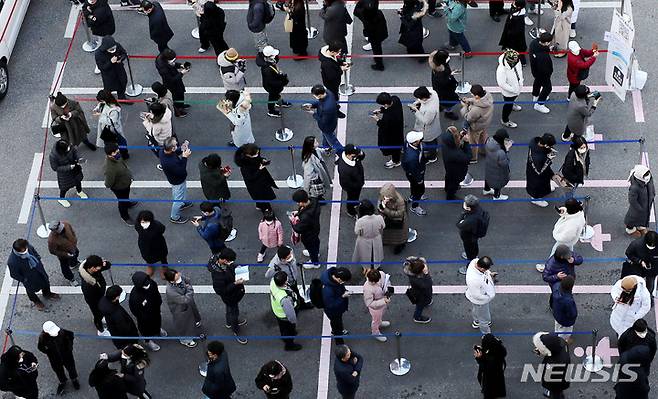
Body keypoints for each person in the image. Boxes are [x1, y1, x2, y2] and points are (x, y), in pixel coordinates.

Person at [535, 199, 586, 274]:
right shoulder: (578, 212)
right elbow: (570, 215)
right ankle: (565, 263)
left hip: (565, 242)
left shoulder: (573, 224)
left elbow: (565, 237)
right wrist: (564, 212)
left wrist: (556, 235)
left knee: (555, 254)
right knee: (568, 251)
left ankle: (548, 268)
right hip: (570, 242)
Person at [8, 239, 60, 311]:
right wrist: (24, 279)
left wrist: (38, 259)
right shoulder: (12, 261)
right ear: (18, 250)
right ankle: (36, 301)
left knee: (45, 282)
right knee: (31, 291)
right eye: (24, 249)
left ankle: (47, 294)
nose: (27, 249)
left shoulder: (27, 246)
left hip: (39, 270)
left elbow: (34, 251)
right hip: (29, 278)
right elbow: (14, 274)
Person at [208, 249, 248, 344]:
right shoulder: (218, 276)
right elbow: (221, 290)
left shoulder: (219, 261)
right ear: (225, 260)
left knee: (230, 309)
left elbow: (231, 267)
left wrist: (236, 267)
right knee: (234, 312)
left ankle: (229, 322)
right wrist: (235, 283)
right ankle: (236, 330)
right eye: (230, 261)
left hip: (231, 295)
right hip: (230, 296)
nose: (232, 263)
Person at [38, 321, 79, 394]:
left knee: (71, 368)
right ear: (46, 332)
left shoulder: (64, 332)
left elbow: (71, 335)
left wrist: (69, 348)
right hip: (54, 359)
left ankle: (74, 379)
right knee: (58, 371)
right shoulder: (43, 338)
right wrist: (48, 352)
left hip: (66, 356)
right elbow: (40, 347)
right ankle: (63, 381)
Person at [234, 143, 278, 213]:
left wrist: (263, 160)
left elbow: (258, 158)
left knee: (261, 198)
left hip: (261, 182)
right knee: (263, 199)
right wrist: (259, 170)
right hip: (256, 186)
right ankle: (267, 211)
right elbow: (250, 178)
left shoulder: (252, 156)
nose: (258, 155)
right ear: (248, 155)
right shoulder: (244, 167)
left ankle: (259, 205)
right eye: (256, 154)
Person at [164, 269, 202, 347]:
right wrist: (189, 289)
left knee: (192, 316)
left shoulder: (178, 277)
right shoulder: (171, 291)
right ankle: (185, 340)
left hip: (187, 305)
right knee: (184, 324)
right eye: (177, 278)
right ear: (172, 281)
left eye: (178, 275)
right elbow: (185, 300)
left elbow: (187, 280)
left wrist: (187, 283)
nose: (180, 278)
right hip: (180, 309)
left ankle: (195, 322)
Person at [129, 271, 166, 352]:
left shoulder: (152, 283)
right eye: (144, 283)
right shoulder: (135, 296)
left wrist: (159, 304)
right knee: (145, 329)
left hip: (155, 310)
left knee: (157, 321)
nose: (147, 284)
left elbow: (157, 294)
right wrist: (143, 317)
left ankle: (157, 330)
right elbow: (134, 310)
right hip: (144, 317)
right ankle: (147, 341)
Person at [160, 137, 194, 223]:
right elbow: (181, 171)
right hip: (178, 180)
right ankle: (174, 217)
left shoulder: (163, 152)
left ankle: (182, 203)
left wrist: (182, 148)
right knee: (178, 199)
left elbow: (174, 152)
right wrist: (184, 157)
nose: (177, 145)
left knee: (178, 193)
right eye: (176, 145)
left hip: (174, 179)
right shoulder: (171, 162)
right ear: (172, 148)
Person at [104, 143, 136, 225]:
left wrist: (129, 176)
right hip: (119, 188)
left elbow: (123, 165)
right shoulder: (110, 168)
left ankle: (128, 203)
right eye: (115, 152)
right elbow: (108, 184)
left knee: (126, 196)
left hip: (125, 183)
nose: (118, 152)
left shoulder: (117, 157)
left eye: (117, 150)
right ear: (110, 155)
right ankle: (125, 216)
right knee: (122, 202)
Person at [461, 85, 494, 164]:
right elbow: (478, 100)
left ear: (476, 96)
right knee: (483, 138)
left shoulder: (476, 110)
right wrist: (469, 100)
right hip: (484, 123)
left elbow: (467, 117)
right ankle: (483, 151)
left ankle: (473, 158)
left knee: (473, 142)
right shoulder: (488, 97)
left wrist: (465, 106)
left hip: (475, 127)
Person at [532, 332, 571, 399]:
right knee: (558, 392)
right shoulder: (561, 342)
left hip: (556, 384)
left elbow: (549, 379)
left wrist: (547, 386)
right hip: (562, 379)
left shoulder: (553, 364)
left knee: (555, 395)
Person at [79, 255, 111, 335]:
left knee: (100, 312)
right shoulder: (87, 285)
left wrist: (105, 264)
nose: (100, 268)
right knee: (97, 314)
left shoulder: (92, 269)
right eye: (99, 267)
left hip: (99, 294)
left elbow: (108, 265)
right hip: (94, 300)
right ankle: (100, 329)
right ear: (92, 268)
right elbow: (91, 299)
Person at [270, 271, 302, 351]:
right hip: (285, 316)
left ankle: (284, 337)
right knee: (289, 331)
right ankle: (289, 345)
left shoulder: (273, 282)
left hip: (278, 312)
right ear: (285, 282)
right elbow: (290, 314)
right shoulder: (284, 299)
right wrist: (293, 321)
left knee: (283, 328)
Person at [49, 140, 86, 208]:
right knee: (64, 188)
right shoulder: (53, 156)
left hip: (75, 169)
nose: (69, 148)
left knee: (78, 181)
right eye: (67, 148)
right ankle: (61, 199)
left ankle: (79, 191)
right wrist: (68, 167)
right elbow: (55, 168)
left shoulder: (67, 145)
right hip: (65, 175)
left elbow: (75, 152)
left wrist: (79, 158)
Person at [457, 195, 489, 274]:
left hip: (469, 237)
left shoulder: (470, 220)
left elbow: (459, 224)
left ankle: (469, 267)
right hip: (475, 235)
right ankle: (473, 255)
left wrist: (463, 213)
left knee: (470, 251)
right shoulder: (478, 210)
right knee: (474, 247)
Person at [307, 84, 344, 153]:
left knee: (333, 141)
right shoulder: (328, 92)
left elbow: (323, 121)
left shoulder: (327, 108)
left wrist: (313, 114)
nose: (314, 97)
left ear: (320, 95)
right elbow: (320, 102)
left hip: (327, 127)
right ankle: (326, 147)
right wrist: (312, 105)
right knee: (325, 136)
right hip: (331, 122)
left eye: (315, 96)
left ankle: (342, 153)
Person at [291, 190, 322, 267]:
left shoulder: (306, 216)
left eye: (298, 202)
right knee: (315, 242)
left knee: (310, 247)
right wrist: (299, 213)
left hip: (308, 234)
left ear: (302, 202)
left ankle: (314, 263)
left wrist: (292, 221)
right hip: (315, 229)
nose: (297, 204)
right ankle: (316, 253)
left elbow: (298, 228)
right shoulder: (314, 201)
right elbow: (304, 210)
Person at [94, 90, 129, 159]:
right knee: (112, 144)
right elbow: (100, 105)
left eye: (101, 100)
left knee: (119, 144)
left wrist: (100, 115)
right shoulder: (106, 103)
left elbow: (112, 121)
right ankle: (116, 155)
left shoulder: (114, 110)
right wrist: (97, 109)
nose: (100, 102)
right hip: (107, 129)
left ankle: (124, 155)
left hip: (112, 130)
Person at [465, 256, 496, 334]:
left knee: (476, 310)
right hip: (480, 301)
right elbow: (477, 296)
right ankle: (486, 334)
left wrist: (489, 274)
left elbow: (485, 273)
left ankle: (476, 321)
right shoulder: (474, 280)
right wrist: (489, 298)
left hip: (474, 298)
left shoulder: (474, 262)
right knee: (484, 319)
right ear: (482, 269)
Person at [321, 267, 352, 343]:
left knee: (338, 321)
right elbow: (331, 305)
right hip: (333, 311)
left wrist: (343, 291)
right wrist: (342, 296)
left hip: (338, 310)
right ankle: (339, 342)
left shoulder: (333, 281)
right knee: (336, 325)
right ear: (338, 279)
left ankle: (340, 330)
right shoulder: (328, 290)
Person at [378, 183, 412, 254]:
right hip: (388, 219)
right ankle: (387, 241)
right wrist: (381, 207)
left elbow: (399, 214)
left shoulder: (400, 201)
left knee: (399, 236)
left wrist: (385, 210)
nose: (385, 198)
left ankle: (400, 246)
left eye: (387, 196)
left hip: (397, 221)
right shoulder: (383, 196)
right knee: (387, 232)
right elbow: (379, 205)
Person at [410, 86, 441, 163]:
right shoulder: (433, 94)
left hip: (427, 129)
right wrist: (418, 102)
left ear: (423, 98)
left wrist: (416, 110)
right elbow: (423, 101)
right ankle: (434, 149)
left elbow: (426, 121)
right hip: (434, 126)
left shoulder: (430, 109)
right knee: (433, 140)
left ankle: (432, 157)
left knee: (429, 141)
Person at [134, 210, 169, 278]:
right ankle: (150, 266)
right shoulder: (137, 225)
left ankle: (164, 267)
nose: (144, 224)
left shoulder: (157, 226)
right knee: (147, 257)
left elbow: (162, 229)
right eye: (143, 222)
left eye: (147, 221)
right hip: (144, 245)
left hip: (158, 244)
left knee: (163, 257)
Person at [372, 92, 404, 167]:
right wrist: (382, 110)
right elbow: (390, 108)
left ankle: (396, 161)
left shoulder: (389, 117)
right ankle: (400, 150)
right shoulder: (395, 99)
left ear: (386, 104)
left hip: (391, 134)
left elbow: (383, 126)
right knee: (398, 142)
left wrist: (377, 119)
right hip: (398, 128)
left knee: (393, 147)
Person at [155, 48, 189, 117]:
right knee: (176, 98)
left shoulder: (163, 58)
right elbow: (171, 80)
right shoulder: (163, 69)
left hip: (175, 80)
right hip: (172, 85)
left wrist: (180, 65)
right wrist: (182, 73)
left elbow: (172, 64)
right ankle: (178, 112)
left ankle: (181, 105)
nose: (173, 61)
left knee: (180, 94)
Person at [525, 133, 557, 207]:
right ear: (545, 145)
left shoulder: (534, 142)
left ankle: (546, 188)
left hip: (534, 168)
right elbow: (540, 171)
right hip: (536, 173)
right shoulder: (538, 157)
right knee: (537, 185)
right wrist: (549, 159)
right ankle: (535, 199)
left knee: (544, 181)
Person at [355, 0, 388, 70]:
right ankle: (378, 61)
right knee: (377, 47)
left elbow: (356, 11)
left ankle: (379, 65)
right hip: (380, 33)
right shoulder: (379, 13)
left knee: (376, 48)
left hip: (374, 36)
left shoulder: (366, 19)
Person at [441, 126, 472, 200]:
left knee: (448, 178)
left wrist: (460, 137)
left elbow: (454, 144)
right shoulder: (456, 154)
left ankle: (446, 188)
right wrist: (467, 143)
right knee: (453, 185)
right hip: (457, 172)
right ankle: (450, 197)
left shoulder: (446, 144)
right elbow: (468, 157)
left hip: (449, 168)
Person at [428, 50, 460, 121]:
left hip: (438, 89)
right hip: (445, 92)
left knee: (440, 99)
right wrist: (451, 78)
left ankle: (440, 106)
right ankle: (448, 113)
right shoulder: (440, 75)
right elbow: (446, 83)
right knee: (448, 103)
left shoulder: (437, 67)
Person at [625, 165, 655, 238]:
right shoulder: (635, 187)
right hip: (638, 208)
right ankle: (630, 229)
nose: (648, 176)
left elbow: (651, 187)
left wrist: (653, 194)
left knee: (644, 217)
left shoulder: (648, 179)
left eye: (648, 173)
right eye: (646, 175)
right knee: (633, 217)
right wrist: (639, 208)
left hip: (647, 204)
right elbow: (632, 200)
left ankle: (640, 226)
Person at [402, 131, 428, 216]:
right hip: (416, 174)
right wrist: (419, 179)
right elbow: (415, 171)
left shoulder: (408, 144)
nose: (421, 139)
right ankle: (415, 206)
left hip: (411, 173)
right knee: (420, 190)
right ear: (414, 142)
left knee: (413, 186)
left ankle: (413, 196)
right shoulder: (412, 157)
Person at [496, 49, 524, 128]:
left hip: (517, 86)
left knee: (512, 100)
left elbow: (519, 70)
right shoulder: (501, 70)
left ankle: (512, 105)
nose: (517, 63)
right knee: (507, 105)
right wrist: (513, 89)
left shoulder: (516, 60)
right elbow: (502, 83)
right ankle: (505, 120)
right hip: (509, 92)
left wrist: (521, 80)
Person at [353, 200, 385, 266]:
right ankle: (376, 267)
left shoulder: (360, 221)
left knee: (365, 256)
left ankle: (366, 268)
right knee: (376, 255)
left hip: (364, 240)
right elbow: (383, 227)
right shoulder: (379, 218)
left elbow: (357, 232)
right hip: (376, 239)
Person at [260, 46, 291, 118]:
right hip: (272, 87)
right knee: (272, 98)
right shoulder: (267, 69)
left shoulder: (268, 63)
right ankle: (271, 111)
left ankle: (277, 101)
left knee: (275, 95)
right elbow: (272, 81)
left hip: (273, 85)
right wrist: (282, 82)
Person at [624, 231, 658, 296]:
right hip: (638, 267)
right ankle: (634, 295)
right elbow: (629, 253)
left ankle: (648, 296)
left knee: (650, 286)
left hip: (653, 269)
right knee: (636, 283)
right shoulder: (636, 244)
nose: (652, 247)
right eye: (650, 245)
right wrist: (639, 261)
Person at [474, 334, 507, 399]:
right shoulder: (499, 349)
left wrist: (478, 358)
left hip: (490, 378)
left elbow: (484, 367)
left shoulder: (490, 359)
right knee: (498, 385)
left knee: (489, 391)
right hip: (498, 373)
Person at [47, 220, 79, 286]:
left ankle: (74, 264)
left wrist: (75, 239)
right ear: (54, 231)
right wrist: (65, 254)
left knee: (76, 254)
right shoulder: (52, 240)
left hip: (72, 247)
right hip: (63, 255)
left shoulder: (65, 224)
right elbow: (52, 251)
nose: (63, 229)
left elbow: (72, 231)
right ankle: (70, 278)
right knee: (65, 267)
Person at [95, 36, 128, 101]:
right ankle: (108, 100)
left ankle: (121, 98)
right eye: (111, 50)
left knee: (123, 83)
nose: (113, 51)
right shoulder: (99, 54)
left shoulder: (117, 45)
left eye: (114, 49)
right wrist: (110, 62)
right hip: (108, 75)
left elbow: (124, 53)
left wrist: (121, 59)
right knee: (108, 89)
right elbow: (101, 67)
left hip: (119, 70)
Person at [318, 42, 348, 112]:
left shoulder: (328, 54)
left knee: (333, 95)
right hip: (331, 83)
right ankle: (335, 110)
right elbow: (331, 76)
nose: (339, 53)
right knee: (333, 96)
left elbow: (334, 59)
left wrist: (341, 62)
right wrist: (341, 69)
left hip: (331, 81)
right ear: (332, 52)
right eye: (338, 52)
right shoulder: (327, 64)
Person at [338, 144, 366, 219]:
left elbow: (361, 157)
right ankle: (351, 211)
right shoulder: (344, 169)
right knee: (351, 197)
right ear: (348, 155)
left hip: (358, 181)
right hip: (352, 186)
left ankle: (355, 203)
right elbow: (347, 183)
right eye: (354, 155)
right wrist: (357, 185)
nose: (356, 156)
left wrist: (361, 153)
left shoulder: (352, 157)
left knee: (355, 197)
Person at [363, 267, 391, 342]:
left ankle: (380, 322)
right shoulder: (368, 289)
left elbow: (386, 281)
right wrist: (383, 301)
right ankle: (375, 332)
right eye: (374, 282)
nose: (376, 282)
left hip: (382, 303)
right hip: (376, 308)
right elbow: (369, 303)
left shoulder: (381, 274)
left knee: (380, 316)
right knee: (375, 320)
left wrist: (387, 290)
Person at [483, 129, 512, 200]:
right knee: (498, 182)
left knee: (488, 177)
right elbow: (505, 163)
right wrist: (507, 149)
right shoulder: (500, 152)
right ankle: (497, 196)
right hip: (498, 170)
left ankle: (486, 190)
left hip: (489, 165)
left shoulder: (489, 141)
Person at [529, 32, 554, 113]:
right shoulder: (543, 56)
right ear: (546, 43)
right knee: (548, 88)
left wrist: (547, 49)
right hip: (543, 73)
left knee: (537, 82)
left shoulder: (534, 43)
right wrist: (549, 72)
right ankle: (539, 104)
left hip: (535, 70)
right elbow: (545, 68)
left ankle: (535, 95)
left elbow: (542, 49)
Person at [301, 136, 332, 202]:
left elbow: (320, 150)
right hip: (316, 178)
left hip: (320, 172)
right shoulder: (308, 160)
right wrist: (306, 190)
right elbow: (307, 175)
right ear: (311, 146)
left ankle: (319, 198)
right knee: (317, 193)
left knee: (320, 190)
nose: (317, 142)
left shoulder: (315, 149)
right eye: (316, 142)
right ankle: (317, 200)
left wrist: (326, 150)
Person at [403, 256, 433, 323]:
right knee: (419, 306)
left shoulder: (412, 275)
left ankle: (427, 302)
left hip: (420, 292)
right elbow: (427, 284)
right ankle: (417, 317)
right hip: (421, 296)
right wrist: (426, 274)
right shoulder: (417, 280)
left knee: (426, 300)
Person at [499, 0, 527, 66]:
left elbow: (517, 30)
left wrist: (510, 33)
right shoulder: (518, 11)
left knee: (517, 48)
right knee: (518, 47)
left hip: (514, 35)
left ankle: (521, 61)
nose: (513, 3)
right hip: (513, 33)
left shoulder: (518, 17)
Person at [551, 275, 577, 344]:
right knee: (564, 333)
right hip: (565, 321)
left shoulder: (556, 287)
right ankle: (562, 342)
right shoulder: (568, 300)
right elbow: (572, 314)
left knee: (558, 327)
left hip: (557, 314)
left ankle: (557, 336)